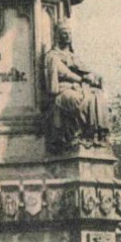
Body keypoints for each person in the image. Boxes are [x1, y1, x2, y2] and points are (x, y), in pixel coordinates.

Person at [45, 20, 110, 148]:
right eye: (64, 33)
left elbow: (85, 69)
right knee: (76, 99)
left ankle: (96, 135)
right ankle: (76, 135)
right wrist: (81, 80)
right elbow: (64, 73)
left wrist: (94, 77)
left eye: (69, 33)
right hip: (63, 89)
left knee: (97, 96)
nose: (68, 36)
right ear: (57, 35)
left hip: (78, 87)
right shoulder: (52, 56)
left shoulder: (72, 55)